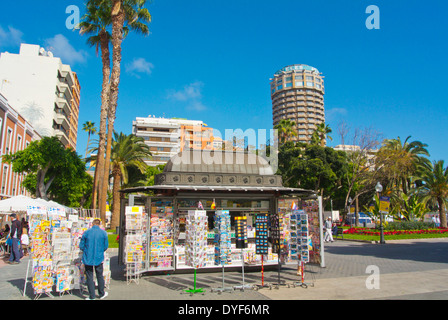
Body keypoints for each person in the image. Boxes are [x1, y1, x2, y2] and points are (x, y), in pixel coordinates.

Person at [79, 219, 109, 300]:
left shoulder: (86, 232)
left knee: (89, 276)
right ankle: (101, 293)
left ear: (92, 224)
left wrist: (85, 250)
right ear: (99, 224)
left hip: (88, 257)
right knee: (99, 275)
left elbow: (81, 245)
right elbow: (106, 246)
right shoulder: (103, 233)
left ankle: (92, 296)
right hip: (98, 257)